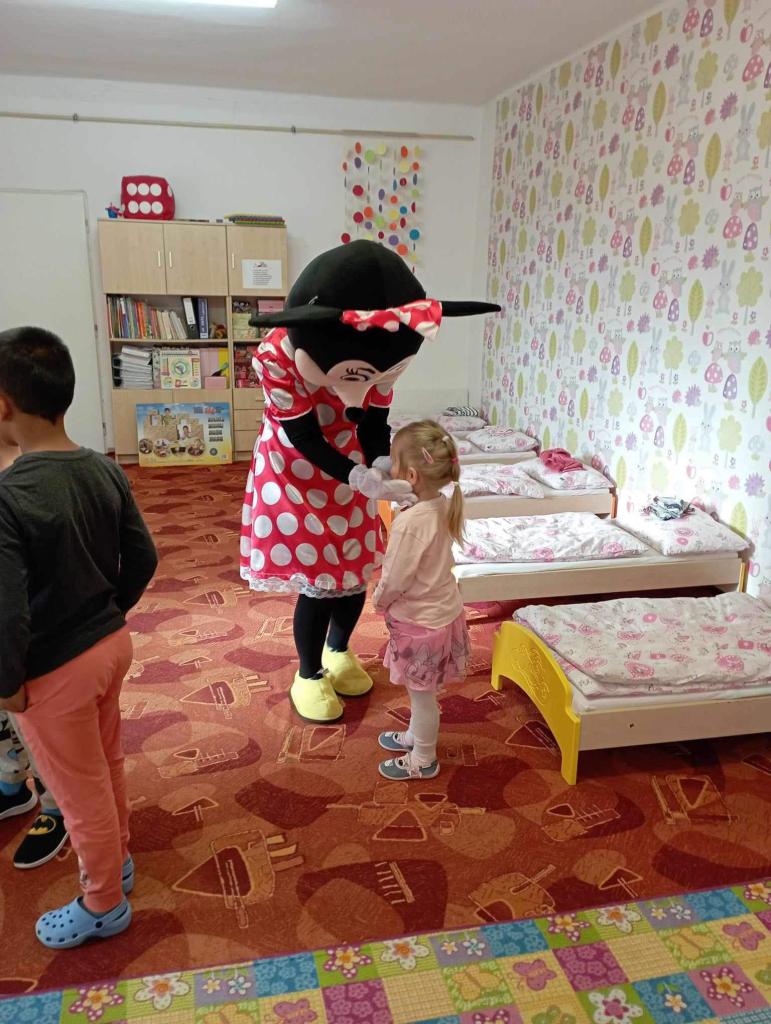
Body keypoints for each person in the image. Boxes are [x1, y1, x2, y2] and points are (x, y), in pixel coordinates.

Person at [239, 240, 497, 725]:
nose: (363, 388)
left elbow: (373, 421)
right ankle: (309, 672)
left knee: (354, 567)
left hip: (351, 462)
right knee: (318, 580)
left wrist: (379, 464)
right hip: (295, 467)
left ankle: (338, 651)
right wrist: (358, 475)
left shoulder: (386, 343)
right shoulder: (277, 355)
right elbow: (303, 434)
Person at [0, 326, 158, 948]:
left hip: (53, 670)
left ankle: (102, 902)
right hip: (110, 648)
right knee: (105, 763)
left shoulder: (8, 495)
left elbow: (7, 610)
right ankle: (119, 859)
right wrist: (108, 613)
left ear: (4, 406)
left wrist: (7, 685)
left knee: (75, 790)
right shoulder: (103, 467)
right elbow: (142, 557)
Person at [372, 420, 470, 780]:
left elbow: (396, 576)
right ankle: (415, 736)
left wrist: (379, 600)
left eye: (394, 464)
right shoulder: (441, 504)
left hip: (420, 622)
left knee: (422, 696)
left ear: (410, 476)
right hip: (442, 612)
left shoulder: (409, 522)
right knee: (421, 691)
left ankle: (424, 759)